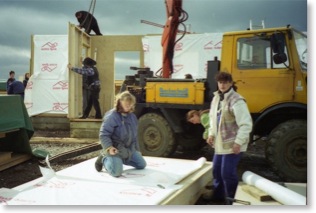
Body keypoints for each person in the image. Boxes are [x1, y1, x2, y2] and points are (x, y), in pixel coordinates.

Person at [206, 71, 252, 205]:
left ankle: (231, 199)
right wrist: (211, 134)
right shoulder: (216, 98)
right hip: (220, 144)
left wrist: (238, 143)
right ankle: (217, 196)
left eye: (225, 82)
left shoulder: (237, 100)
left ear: (231, 83)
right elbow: (212, 119)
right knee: (216, 171)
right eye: (220, 82)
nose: (222, 85)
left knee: (227, 173)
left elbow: (246, 124)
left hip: (233, 145)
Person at [95, 91, 147, 177]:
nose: (128, 105)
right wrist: (109, 148)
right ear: (119, 102)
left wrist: (137, 149)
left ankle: (119, 160)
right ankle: (104, 157)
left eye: (130, 103)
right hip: (115, 149)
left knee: (141, 164)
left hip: (128, 149)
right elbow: (104, 134)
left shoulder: (132, 117)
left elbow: (135, 136)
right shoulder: (112, 116)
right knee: (116, 173)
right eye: (126, 102)